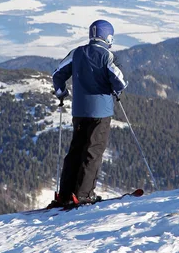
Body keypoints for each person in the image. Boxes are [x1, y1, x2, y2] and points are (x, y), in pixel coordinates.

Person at [50, 19, 128, 207]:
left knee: (75, 150)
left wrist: (61, 92)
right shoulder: (107, 56)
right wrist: (116, 90)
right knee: (92, 152)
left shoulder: (76, 53)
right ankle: (83, 194)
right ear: (108, 36)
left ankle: (65, 194)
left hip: (79, 110)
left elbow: (57, 74)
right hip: (101, 112)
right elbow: (120, 81)